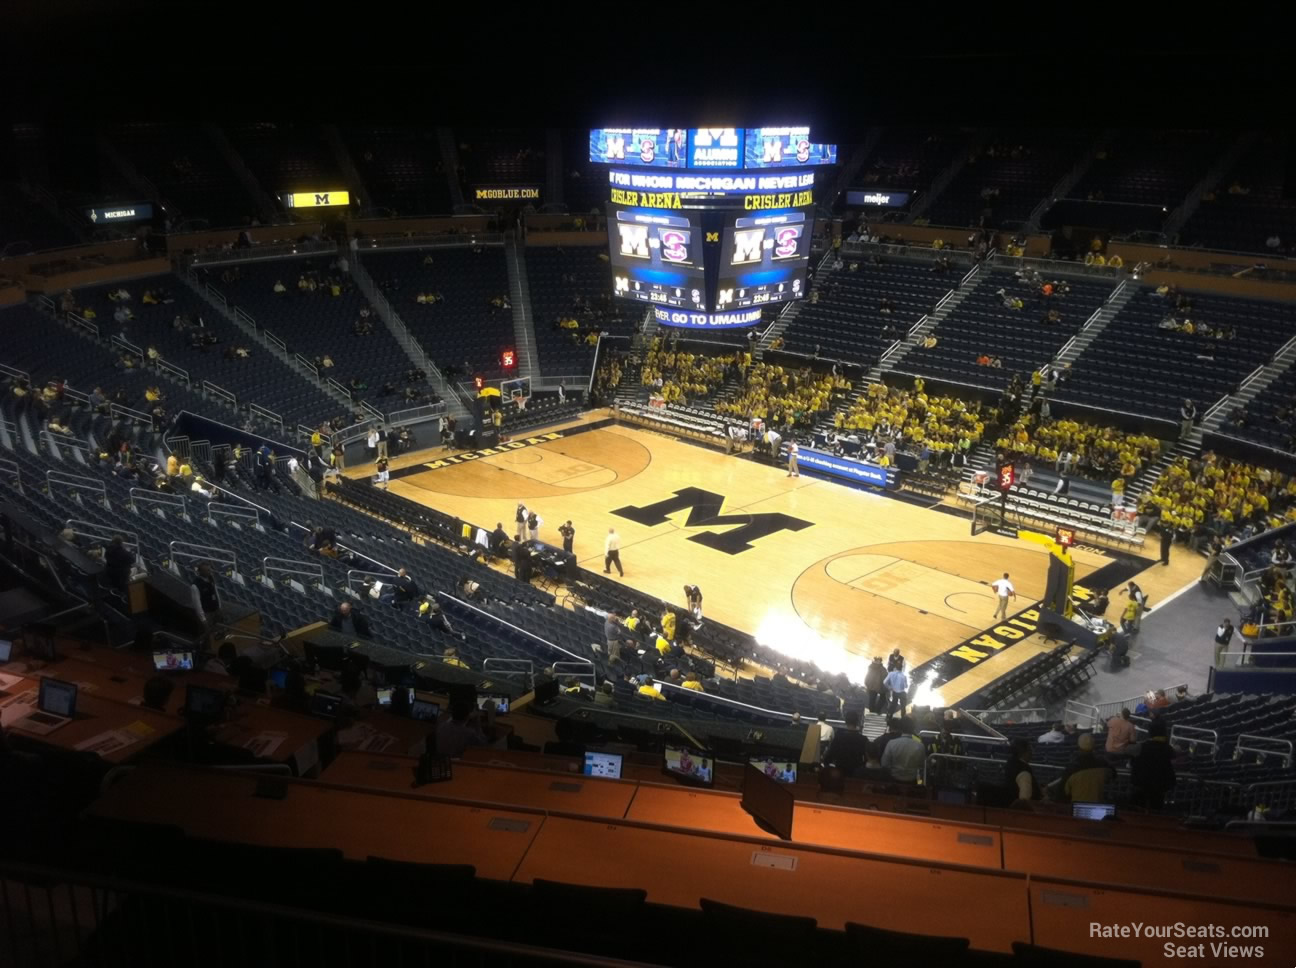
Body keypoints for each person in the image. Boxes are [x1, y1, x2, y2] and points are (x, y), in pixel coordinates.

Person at [1130, 717, 1176, 809]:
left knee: (1138, 810)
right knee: (1156, 811)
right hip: (1160, 787)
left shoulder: (1141, 747)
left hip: (1142, 785)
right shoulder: (1168, 749)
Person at [1058, 733, 1112, 803]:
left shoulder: (1071, 769)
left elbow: (1061, 794)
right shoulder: (1103, 765)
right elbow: (1113, 774)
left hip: (1076, 807)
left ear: (1078, 747)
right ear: (1094, 746)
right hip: (1097, 806)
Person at [822, 710, 870, 776]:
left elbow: (828, 758)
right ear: (857, 722)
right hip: (856, 775)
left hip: (839, 774)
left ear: (845, 721)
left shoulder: (838, 738)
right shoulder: (864, 740)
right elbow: (867, 760)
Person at [1003, 739, 1040, 804]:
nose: (1032, 753)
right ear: (1024, 752)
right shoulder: (1024, 771)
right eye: (1030, 750)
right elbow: (1024, 799)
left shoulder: (1009, 764)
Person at [190, 562, 223, 630]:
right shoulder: (195, 585)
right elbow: (197, 604)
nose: (210, 572)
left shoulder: (211, 579)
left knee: (219, 630)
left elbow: (216, 593)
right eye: (207, 570)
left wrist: (219, 606)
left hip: (216, 610)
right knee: (209, 634)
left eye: (210, 570)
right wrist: (203, 619)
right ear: (201, 572)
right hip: (207, 613)